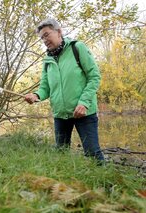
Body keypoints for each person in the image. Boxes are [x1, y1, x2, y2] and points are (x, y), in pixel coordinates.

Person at [25, 19, 104, 162]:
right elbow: (45, 87)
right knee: (61, 155)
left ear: (59, 32)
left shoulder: (77, 48)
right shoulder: (47, 60)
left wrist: (84, 103)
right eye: (42, 37)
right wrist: (36, 95)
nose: (44, 40)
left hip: (83, 112)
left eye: (47, 34)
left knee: (93, 154)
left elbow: (94, 77)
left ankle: (105, 184)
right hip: (60, 115)